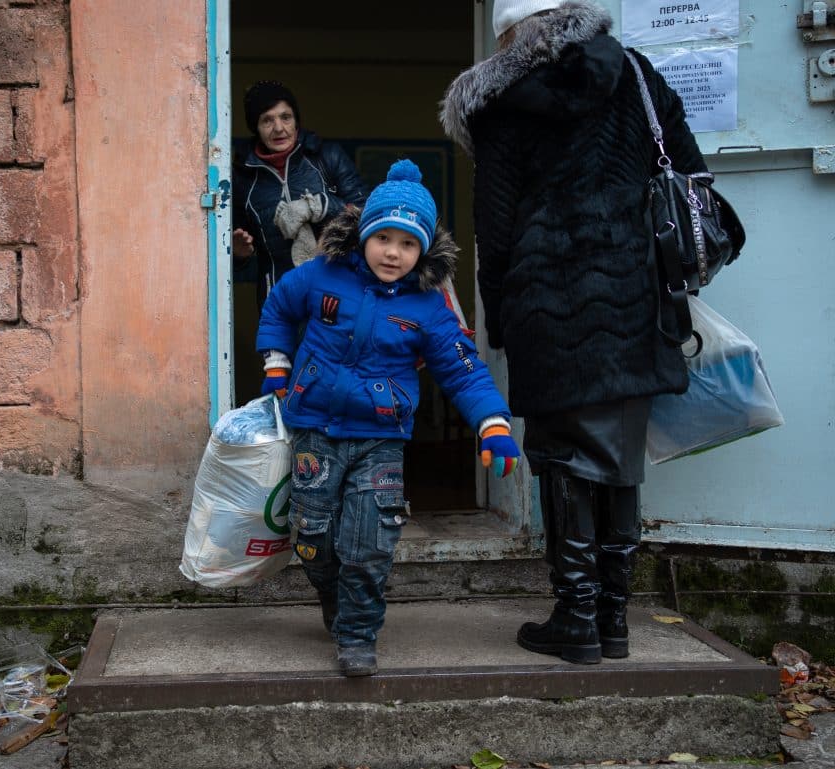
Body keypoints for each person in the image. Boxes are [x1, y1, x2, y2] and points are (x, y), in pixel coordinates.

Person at [440, 0, 708, 664]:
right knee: (619, 460)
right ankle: (612, 618)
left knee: (562, 457)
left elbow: (496, 230)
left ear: (511, 30)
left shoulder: (504, 102)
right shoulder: (638, 74)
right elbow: (690, 170)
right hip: (636, 295)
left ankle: (577, 616)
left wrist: (498, 318)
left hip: (548, 298)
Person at [256, 159, 520, 676]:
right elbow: (279, 308)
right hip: (315, 429)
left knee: (369, 542)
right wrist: (276, 363)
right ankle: (335, 598)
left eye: (408, 243)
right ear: (364, 234)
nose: (393, 252)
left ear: (422, 250)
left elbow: (464, 372)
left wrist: (494, 423)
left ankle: (357, 632)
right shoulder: (321, 274)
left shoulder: (428, 306)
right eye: (384, 238)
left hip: (381, 439)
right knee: (311, 537)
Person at [233, 80, 368, 310]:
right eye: (267, 120)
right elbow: (235, 257)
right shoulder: (242, 177)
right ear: (255, 126)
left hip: (339, 295)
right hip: (280, 301)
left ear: (296, 121)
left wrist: (321, 206)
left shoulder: (328, 157)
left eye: (286, 117)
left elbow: (368, 216)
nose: (279, 128)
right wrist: (238, 254)